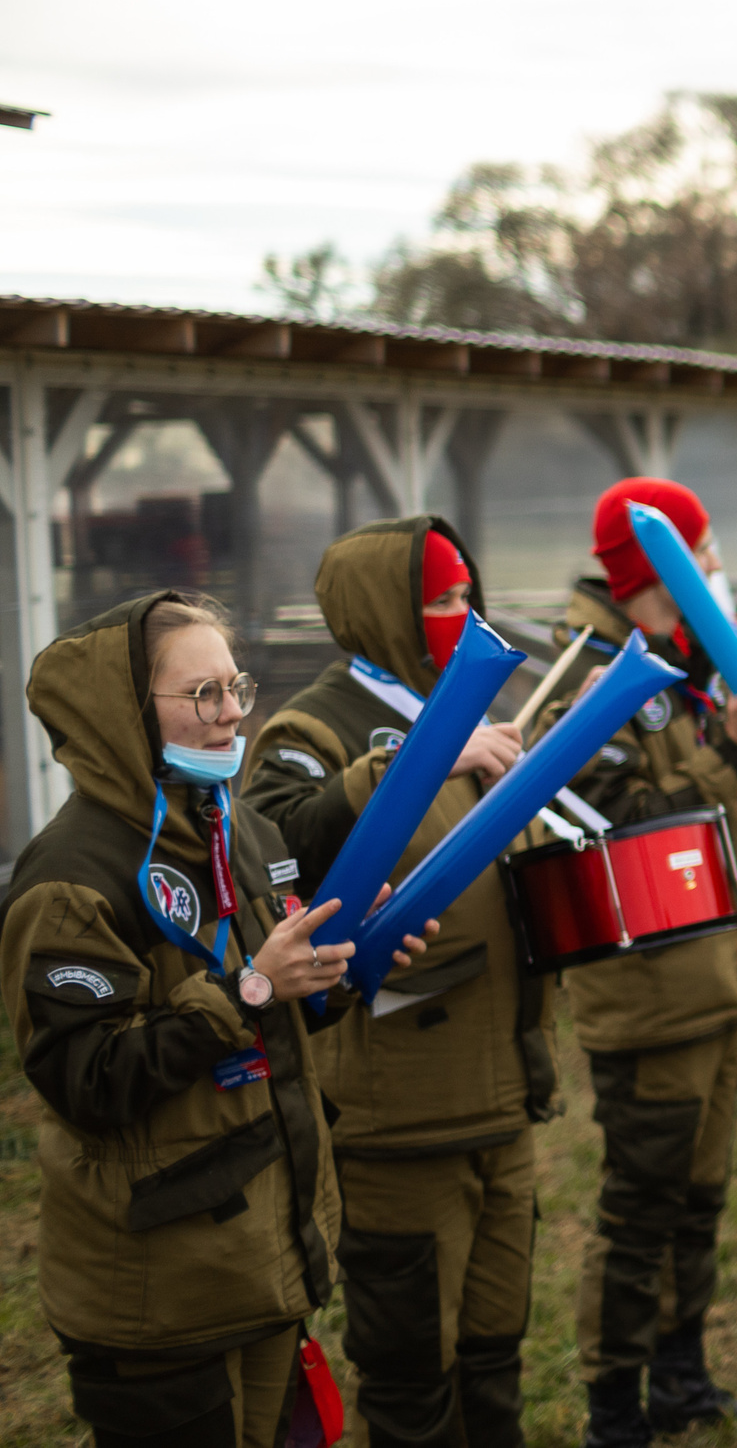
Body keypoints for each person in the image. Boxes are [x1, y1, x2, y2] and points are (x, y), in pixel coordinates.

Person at [3, 592, 431, 1448]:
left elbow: (276, 1016)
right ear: (126, 712)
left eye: (236, 684)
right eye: (203, 694)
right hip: (158, 1292)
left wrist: (342, 961)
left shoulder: (238, 827)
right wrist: (252, 990)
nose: (233, 710)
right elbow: (89, 1080)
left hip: (256, 1261)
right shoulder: (71, 875)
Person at [244, 518, 552, 1448]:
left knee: (496, 1352)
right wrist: (416, 760)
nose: (468, 617)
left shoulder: (472, 713)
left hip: (502, 1088)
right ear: (385, 613)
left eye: (471, 597)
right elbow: (274, 845)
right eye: (445, 602)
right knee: (413, 1372)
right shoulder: (312, 726)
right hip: (398, 1109)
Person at [526, 478, 737, 1448]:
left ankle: (683, 1378)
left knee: (700, 1199)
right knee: (638, 1212)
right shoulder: (584, 678)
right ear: (660, 568)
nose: (717, 570)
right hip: (649, 993)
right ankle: (614, 1410)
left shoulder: (678, 668)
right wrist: (723, 749)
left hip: (716, 977)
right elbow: (613, 827)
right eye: (702, 552)